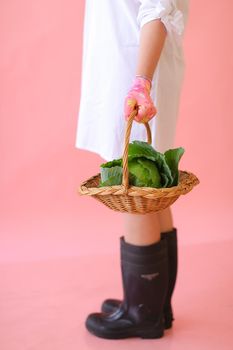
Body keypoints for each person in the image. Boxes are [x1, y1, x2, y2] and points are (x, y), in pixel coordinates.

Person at [75, 0, 189, 340]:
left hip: (135, 70)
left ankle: (142, 312)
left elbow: (158, 8)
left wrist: (141, 82)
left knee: (136, 185)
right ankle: (155, 304)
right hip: (131, 65)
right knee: (152, 189)